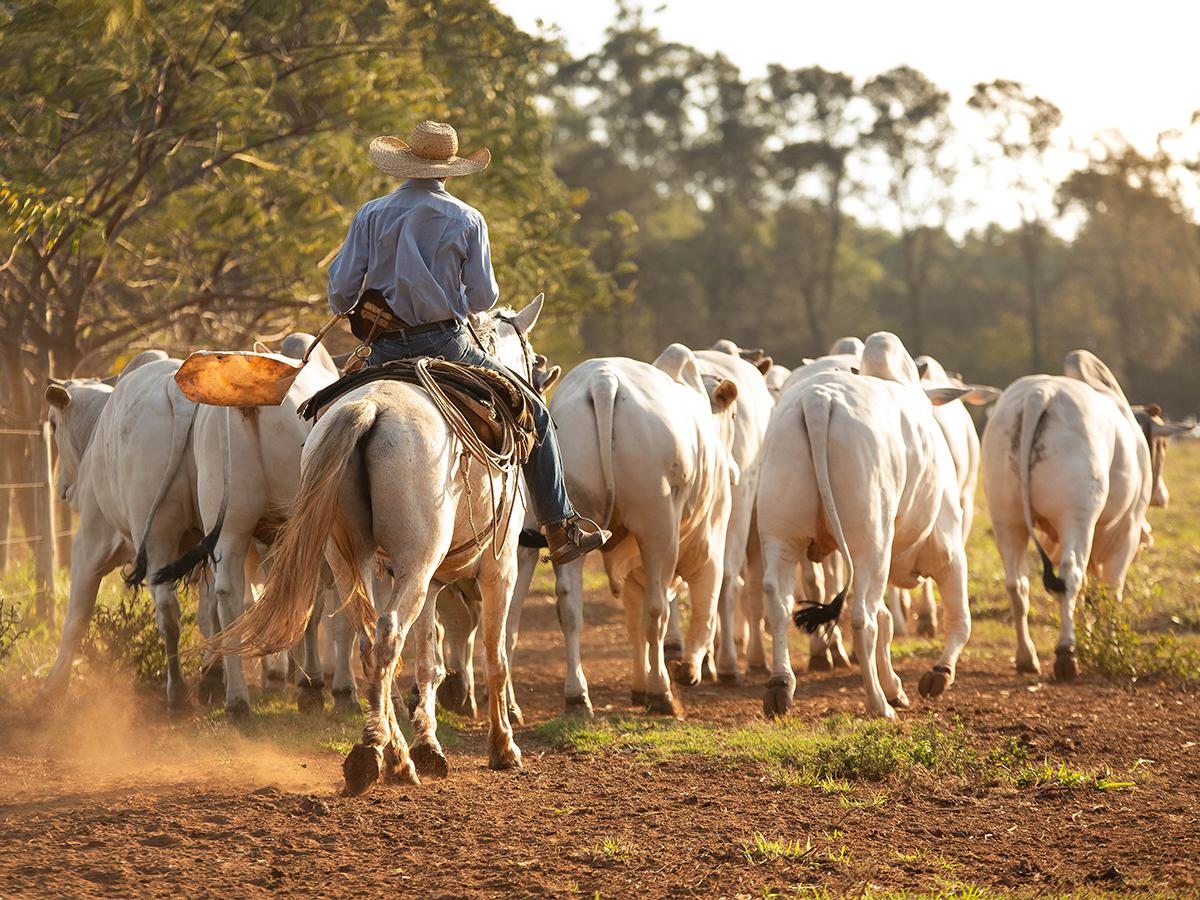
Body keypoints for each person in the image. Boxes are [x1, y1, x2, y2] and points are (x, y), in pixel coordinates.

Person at [326, 121, 608, 565]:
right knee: (534, 409)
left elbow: (341, 293)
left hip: (382, 350)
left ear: (405, 164)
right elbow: (483, 299)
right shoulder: (467, 218)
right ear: (450, 170)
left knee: (323, 410)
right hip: (446, 345)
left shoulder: (370, 213)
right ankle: (560, 524)